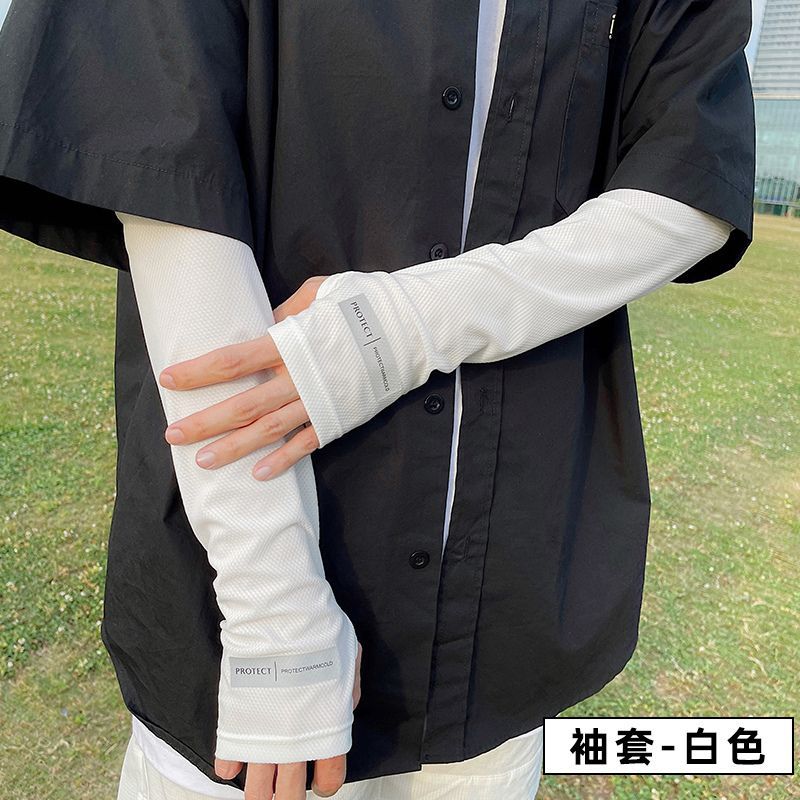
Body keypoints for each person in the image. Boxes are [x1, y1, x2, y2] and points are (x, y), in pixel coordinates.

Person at [0, 0, 755, 797]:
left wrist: (402, 327)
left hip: (496, 604)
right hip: (235, 601)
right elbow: (157, 168)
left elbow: (690, 178)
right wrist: (274, 606)